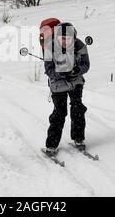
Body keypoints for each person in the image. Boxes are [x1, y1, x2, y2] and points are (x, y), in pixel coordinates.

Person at [42, 22, 91, 155]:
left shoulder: (80, 45)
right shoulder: (49, 47)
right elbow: (48, 69)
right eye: (62, 38)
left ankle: (78, 138)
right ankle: (51, 145)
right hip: (58, 84)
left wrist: (77, 70)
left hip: (76, 82)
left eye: (68, 38)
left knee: (78, 108)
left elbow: (86, 65)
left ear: (73, 37)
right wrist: (60, 73)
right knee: (60, 112)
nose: (65, 41)